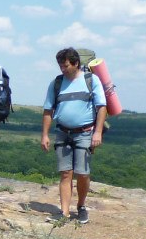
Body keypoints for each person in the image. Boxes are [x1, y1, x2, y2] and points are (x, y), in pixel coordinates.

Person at [40, 46, 107, 225]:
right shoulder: (56, 83)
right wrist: (45, 135)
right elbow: (48, 110)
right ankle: (64, 212)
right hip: (62, 132)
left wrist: (98, 132)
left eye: (66, 65)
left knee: (82, 173)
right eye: (60, 66)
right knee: (65, 173)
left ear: (76, 63)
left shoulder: (91, 80)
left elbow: (102, 107)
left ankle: (81, 206)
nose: (63, 69)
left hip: (84, 133)